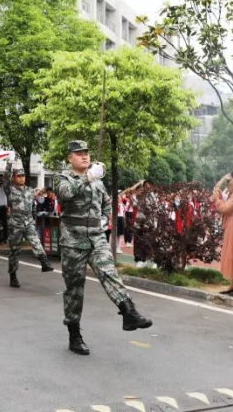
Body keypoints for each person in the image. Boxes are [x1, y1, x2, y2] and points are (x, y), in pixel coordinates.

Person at [54, 140, 152, 356]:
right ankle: (74, 335)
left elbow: (107, 201)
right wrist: (89, 176)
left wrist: (102, 219)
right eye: (79, 153)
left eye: (86, 153)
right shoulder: (62, 177)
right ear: (69, 157)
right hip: (72, 240)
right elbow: (66, 194)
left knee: (109, 272)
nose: (85, 156)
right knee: (74, 290)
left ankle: (128, 311)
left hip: (96, 237)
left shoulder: (97, 181)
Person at [4, 162, 54, 288]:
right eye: (19, 176)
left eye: (23, 176)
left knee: (36, 241)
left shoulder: (30, 191)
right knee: (15, 251)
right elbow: (5, 178)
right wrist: (9, 164)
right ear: (14, 178)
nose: (22, 178)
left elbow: (35, 204)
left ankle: (44, 262)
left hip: (28, 221)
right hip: (16, 223)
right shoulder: (10, 189)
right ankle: (13, 276)